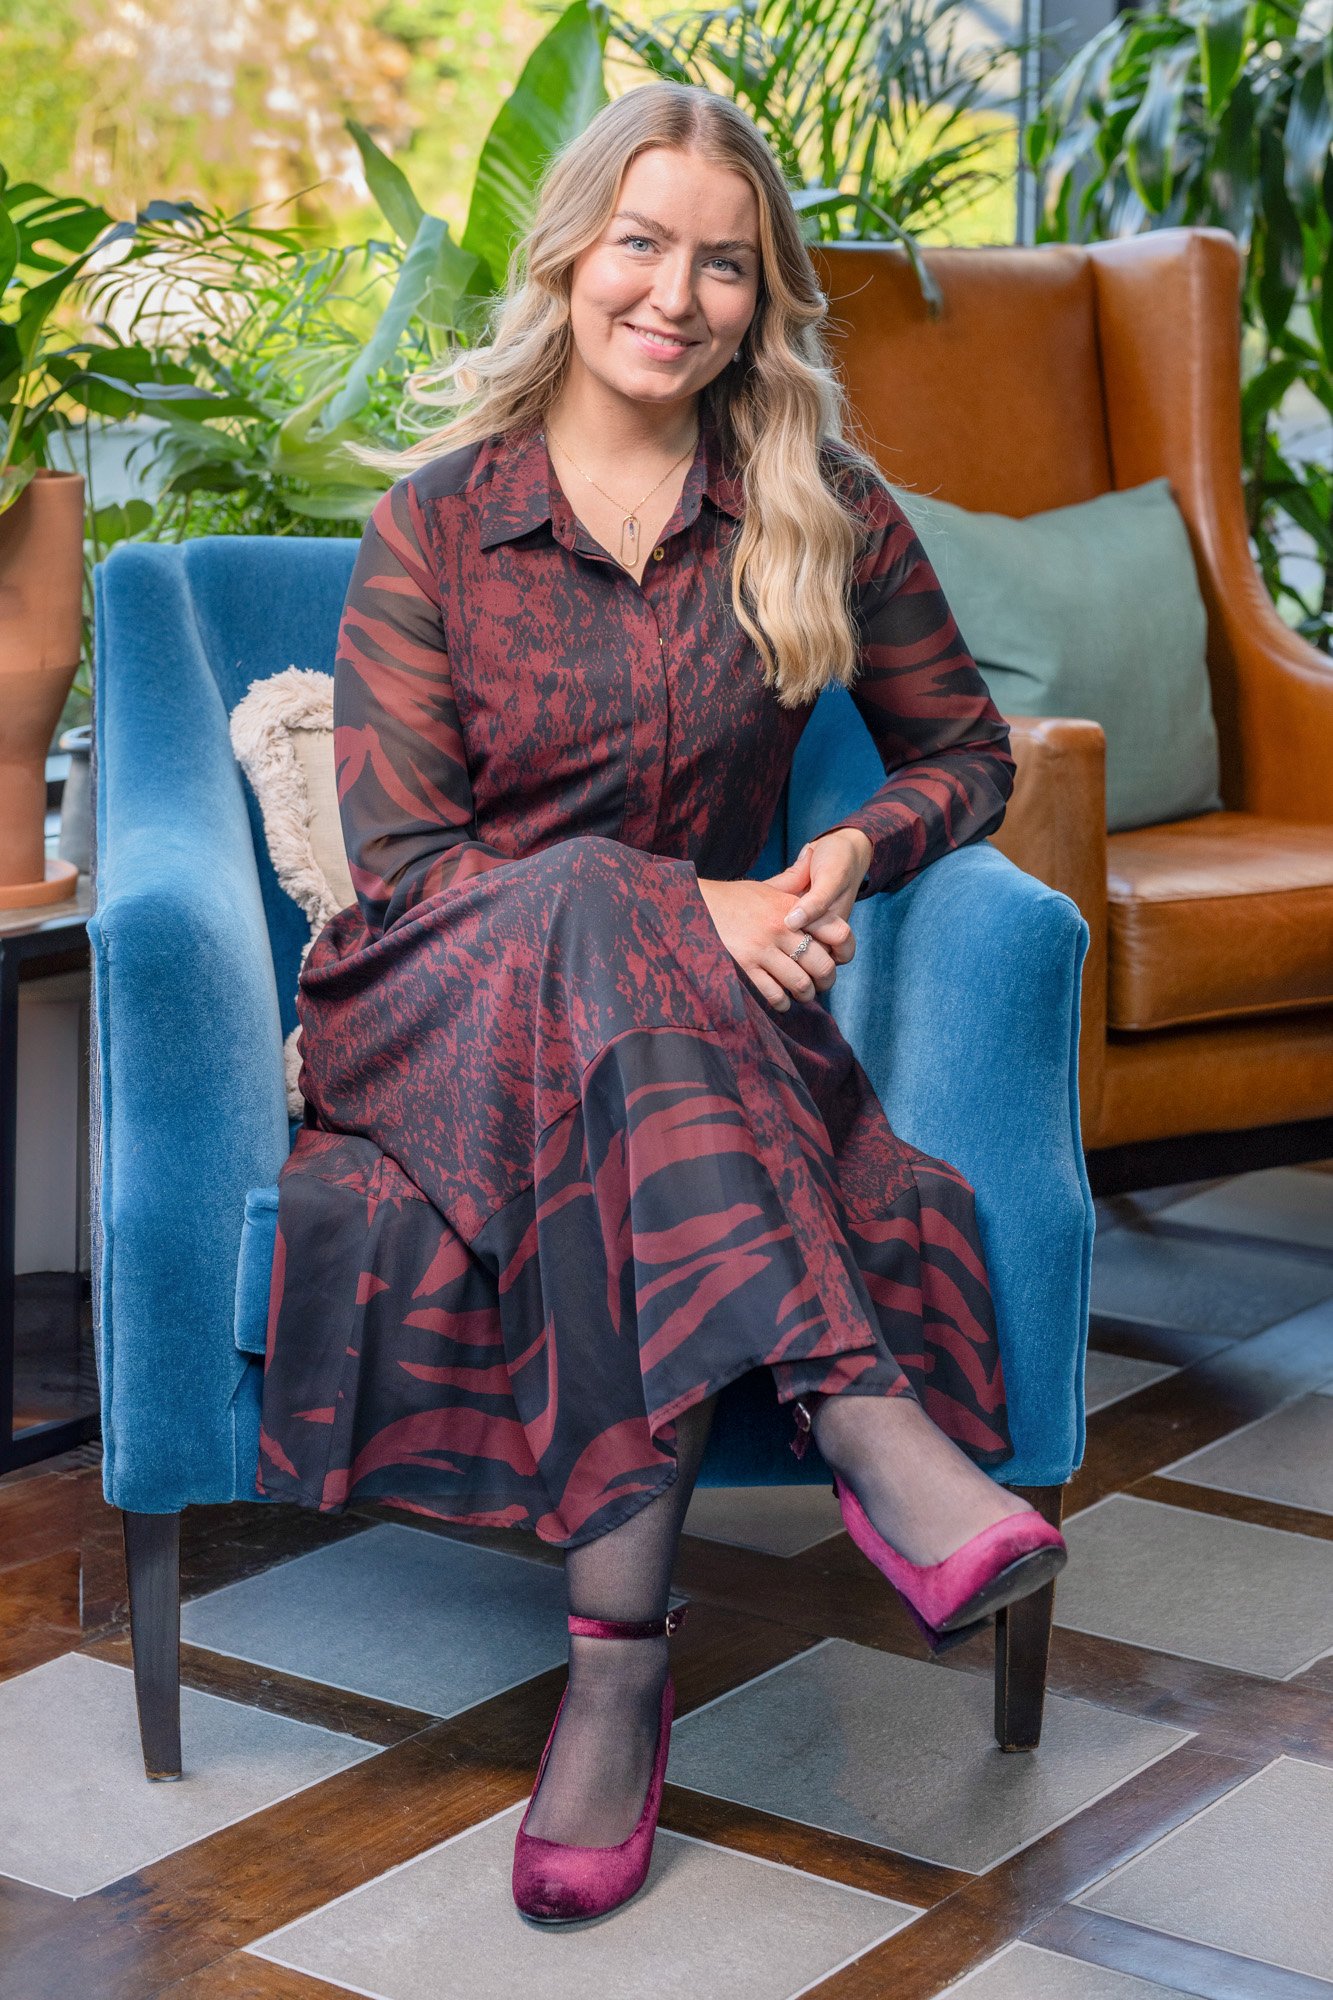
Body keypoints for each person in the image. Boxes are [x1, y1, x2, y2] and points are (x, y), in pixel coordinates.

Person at [255, 79, 1068, 1927]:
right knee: (565, 901)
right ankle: (867, 1422)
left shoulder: (814, 507)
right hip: (433, 1003)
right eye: (641, 244)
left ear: (759, 294)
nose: (674, 296)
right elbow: (411, 862)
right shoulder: (436, 524)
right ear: (569, 257)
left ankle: (614, 1670)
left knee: (624, 1092)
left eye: (721, 263)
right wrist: (696, 899)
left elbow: (965, 754)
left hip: (691, 1046)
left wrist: (850, 852)